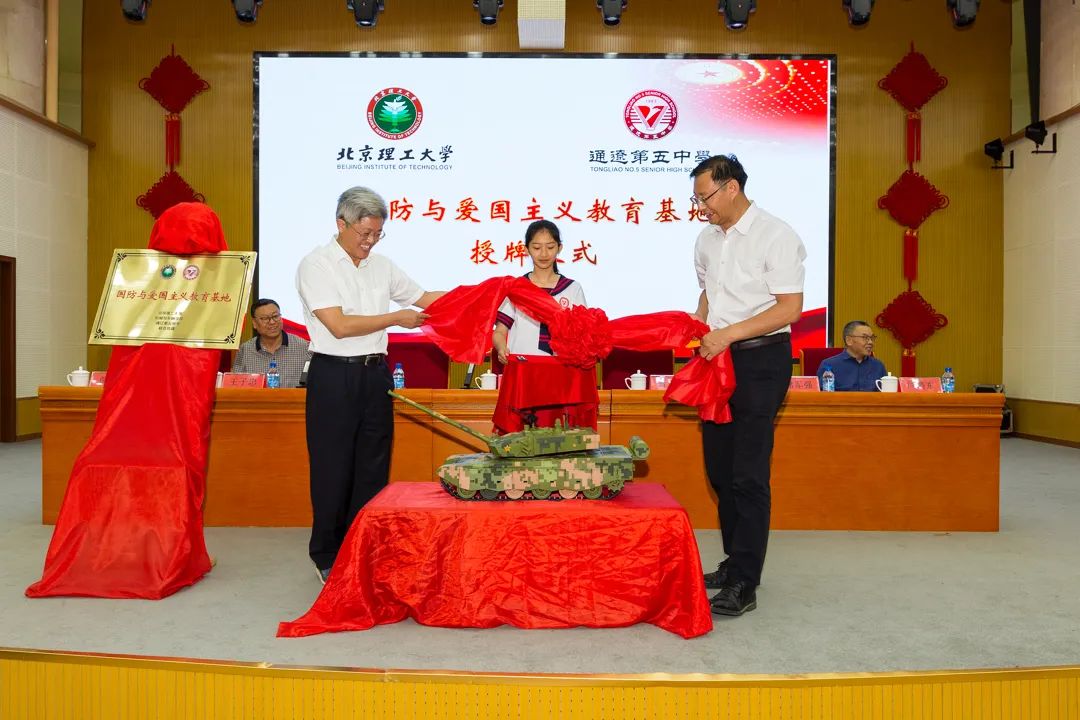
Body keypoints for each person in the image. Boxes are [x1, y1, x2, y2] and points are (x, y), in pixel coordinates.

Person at [295, 186, 443, 584]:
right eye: (364, 233)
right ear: (341, 224)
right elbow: (339, 325)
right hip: (333, 375)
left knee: (373, 467)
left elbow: (425, 298)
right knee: (333, 468)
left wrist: (482, 298)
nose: (371, 241)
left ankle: (365, 547)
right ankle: (327, 554)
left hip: (375, 374)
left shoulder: (382, 265)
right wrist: (395, 318)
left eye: (377, 233)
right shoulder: (316, 265)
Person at [690, 154, 807, 617]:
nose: (701, 207)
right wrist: (698, 323)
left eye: (705, 197)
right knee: (719, 469)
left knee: (748, 474)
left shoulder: (776, 234)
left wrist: (729, 334)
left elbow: (789, 308)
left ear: (731, 187)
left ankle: (745, 581)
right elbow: (708, 293)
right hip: (716, 361)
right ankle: (733, 559)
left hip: (761, 361)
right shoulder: (705, 239)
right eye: (697, 199)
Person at [492, 219, 587, 364]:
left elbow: (584, 333)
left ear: (559, 248)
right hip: (522, 365)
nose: (544, 254)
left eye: (550, 247)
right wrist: (501, 348)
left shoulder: (572, 288)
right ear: (526, 249)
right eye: (536, 247)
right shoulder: (517, 288)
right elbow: (500, 331)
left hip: (561, 367)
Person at [231, 298, 311, 387]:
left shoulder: (304, 347)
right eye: (265, 318)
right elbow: (235, 386)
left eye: (275, 316)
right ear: (254, 323)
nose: (272, 322)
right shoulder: (245, 350)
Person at [817, 321, 887, 391]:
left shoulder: (878, 366)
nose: (870, 342)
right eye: (865, 337)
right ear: (849, 340)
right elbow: (822, 396)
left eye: (872, 338)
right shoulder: (829, 365)